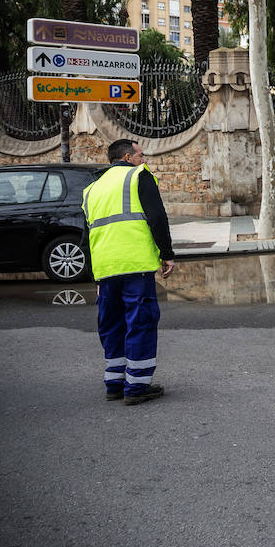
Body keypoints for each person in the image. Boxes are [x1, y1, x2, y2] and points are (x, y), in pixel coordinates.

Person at [81, 138, 175, 405]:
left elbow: (86, 234)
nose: (143, 159)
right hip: (134, 264)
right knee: (140, 321)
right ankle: (137, 387)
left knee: (111, 324)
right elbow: (157, 217)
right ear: (127, 158)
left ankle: (115, 383)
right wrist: (167, 254)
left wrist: (94, 274)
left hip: (105, 268)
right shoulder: (138, 176)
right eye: (140, 155)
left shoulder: (92, 189)